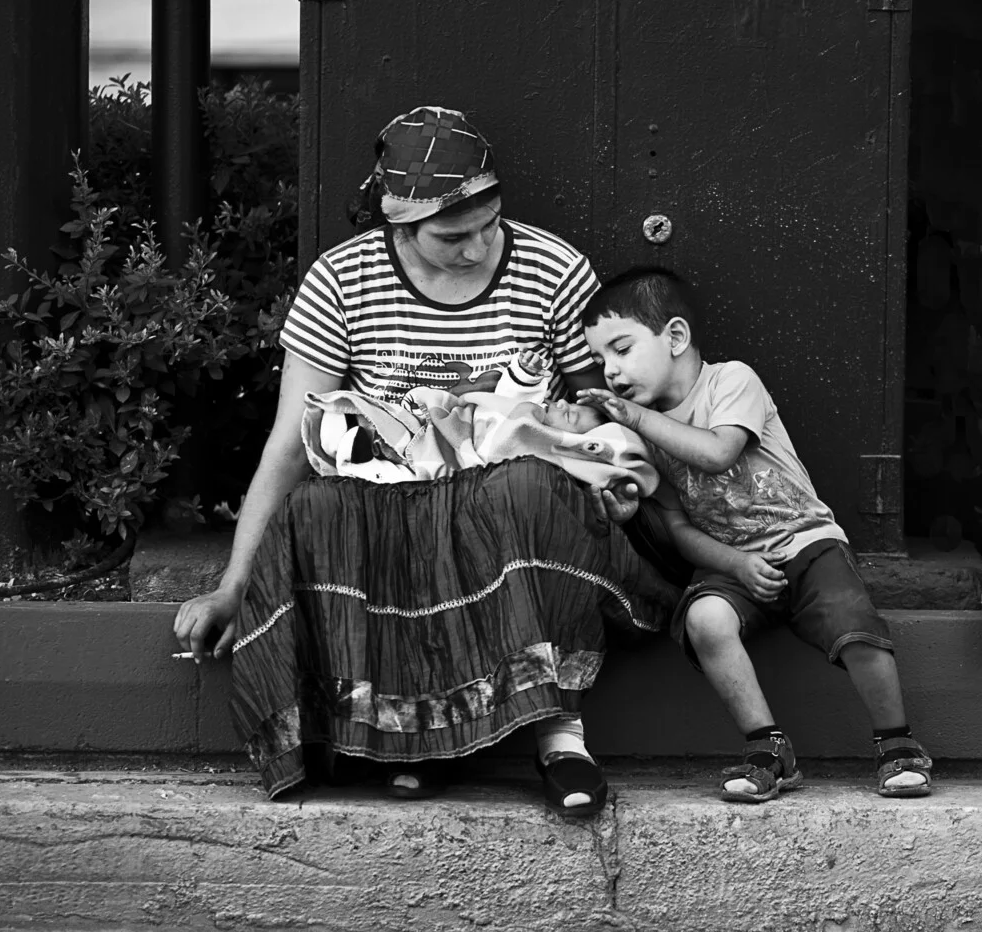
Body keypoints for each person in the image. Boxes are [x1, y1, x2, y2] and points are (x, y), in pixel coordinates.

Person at [173, 106, 679, 816]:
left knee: (521, 491)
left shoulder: (552, 268)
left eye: (487, 225)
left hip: (515, 498)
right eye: (451, 237)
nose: (475, 249)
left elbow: (604, 408)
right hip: (393, 500)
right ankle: (410, 743)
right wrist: (233, 585)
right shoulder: (341, 280)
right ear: (397, 227)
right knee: (322, 506)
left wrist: (575, 444)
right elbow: (292, 442)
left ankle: (560, 741)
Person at [577, 266, 933, 803]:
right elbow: (676, 527)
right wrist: (734, 564)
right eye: (601, 360)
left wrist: (629, 417)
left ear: (675, 337)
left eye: (622, 349)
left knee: (852, 623)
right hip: (733, 563)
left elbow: (719, 453)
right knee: (705, 619)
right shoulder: (640, 435)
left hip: (805, 542)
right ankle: (768, 748)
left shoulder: (730, 381)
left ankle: (897, 742)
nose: (611, 371)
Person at [304, 347, 660, 498]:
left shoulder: (548, 453)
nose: (563, 403)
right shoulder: (529, 412)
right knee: (391, 417)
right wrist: (524, 374)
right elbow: (506, 400)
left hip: (452, 470)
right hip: (445, 430)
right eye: (566, 404)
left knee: (408, 483)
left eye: (572, 417)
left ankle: (361, 468)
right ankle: (344, 428)